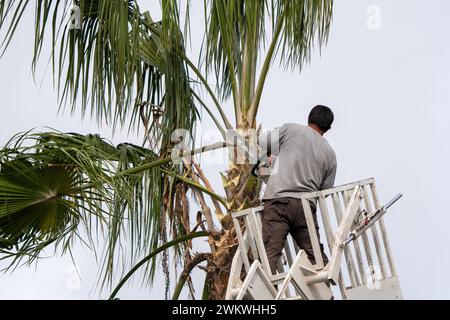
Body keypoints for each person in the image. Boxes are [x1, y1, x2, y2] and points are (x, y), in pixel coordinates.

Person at [258, 105, 337, 274]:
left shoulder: (291, 129)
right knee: (315, 254)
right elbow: (325, 191)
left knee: (270, 254)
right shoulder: (330, 153)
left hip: (278, 202)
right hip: (305, 209)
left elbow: (262, 141)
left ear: (309, 117)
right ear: (328, 128)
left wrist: (275, 153)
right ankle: (324, 289)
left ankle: (265, 293)